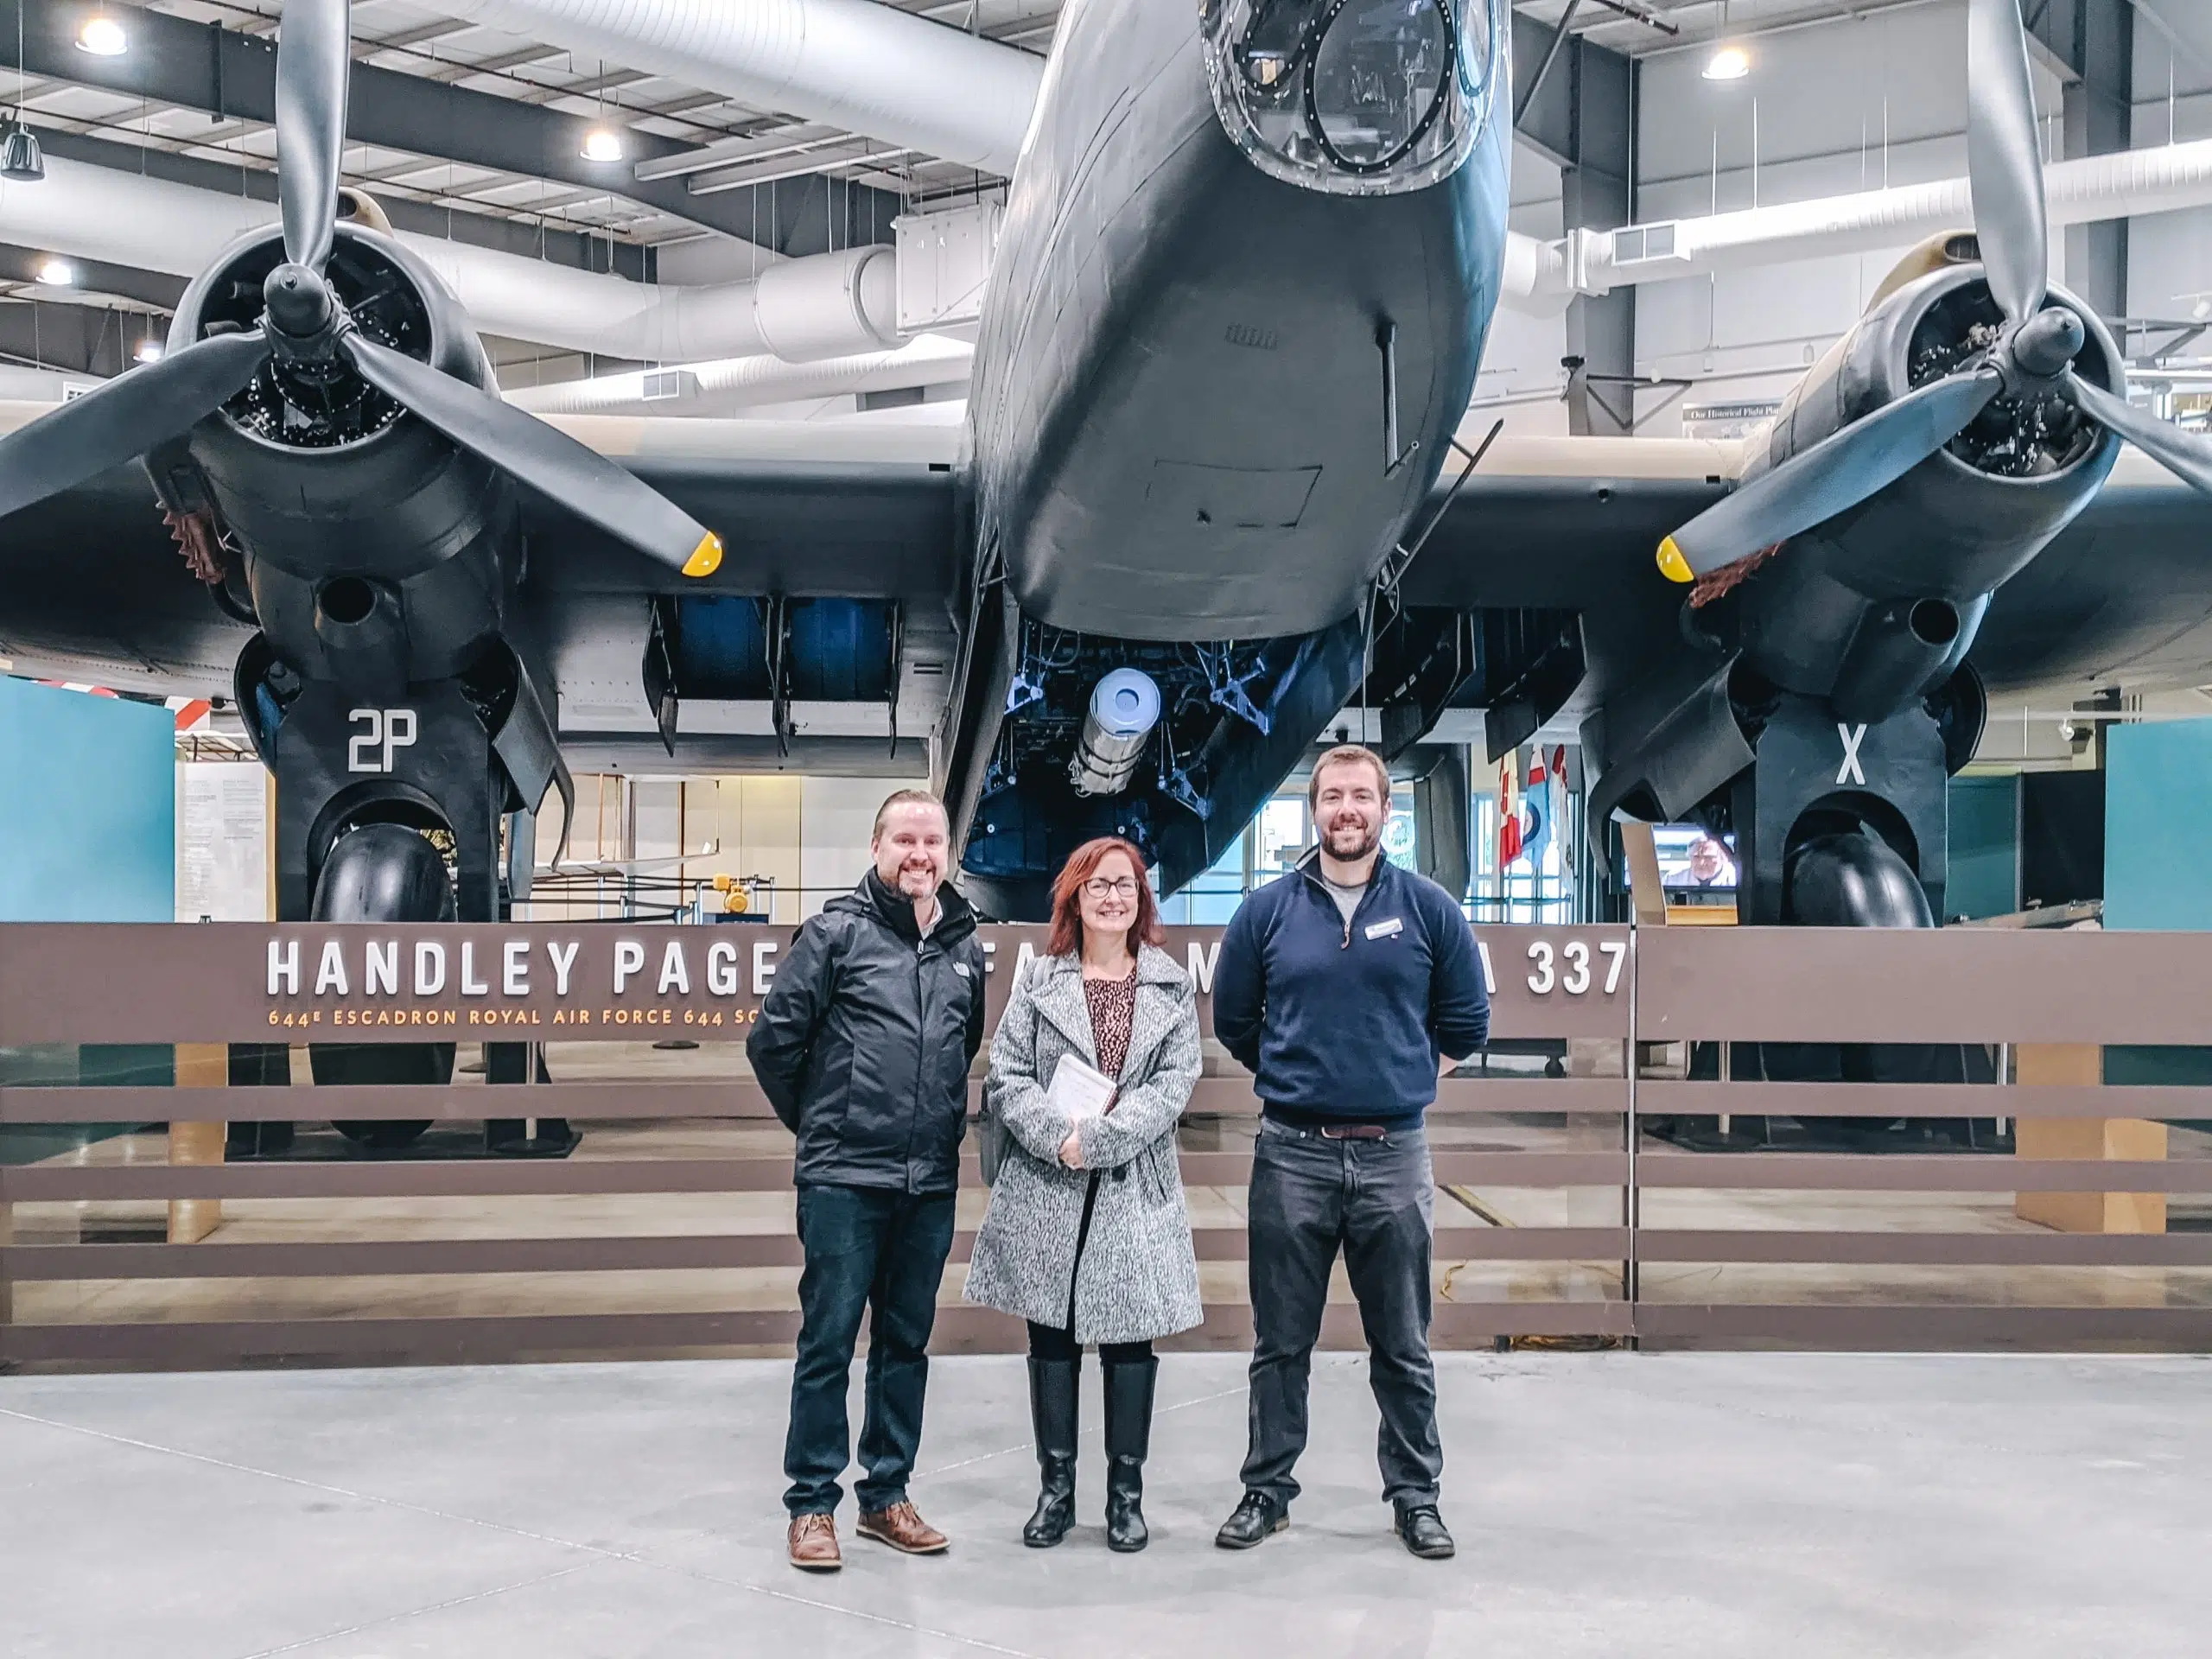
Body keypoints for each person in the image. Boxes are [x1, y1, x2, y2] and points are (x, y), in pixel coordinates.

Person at [1210, 744, 1489, 1560]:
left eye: (1361, 797)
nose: (1346, 811)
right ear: (1314, 809)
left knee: (1402, 1344)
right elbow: (1236, 1023)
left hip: (1394, 1160)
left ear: (1384, 812)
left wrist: (1397, 1078)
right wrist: (1303, 1078)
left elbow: (1466, 1024)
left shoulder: (1431, 910)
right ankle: (1267, 1493)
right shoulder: (1265, 912)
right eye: (1332, 796)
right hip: (1290, 1157)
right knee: (1280, 1343)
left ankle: (1415, 1498)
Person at [747, 788, 987, 1573]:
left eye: (933, 842)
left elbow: (964, 1045)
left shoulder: (962, 943)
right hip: (844, 1180)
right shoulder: (834, 935)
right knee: (827, 1343)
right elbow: (774, 1046)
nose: (920, 856)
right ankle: (812, 1504)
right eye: (906, 841)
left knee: (905, 1344)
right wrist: (823, 1124)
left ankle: (887, 1497)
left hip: (927, 1185)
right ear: (877, 847)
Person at [964, 836, 1203, 1554]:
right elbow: (1006, 1075)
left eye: (1125, 885)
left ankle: (1125, 1497)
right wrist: (1055, 1137)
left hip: (1132, 1186)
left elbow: (1174, 1083)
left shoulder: (1169, 985)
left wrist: (1095, 1142)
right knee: (1052, 1342)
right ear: (1074, 896)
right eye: (1098, 885)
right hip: (1048, 1188)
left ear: (1141, 899)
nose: (1112, 896)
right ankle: (1056, 1491)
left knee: (1131, 1344)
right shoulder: (1038, 982)